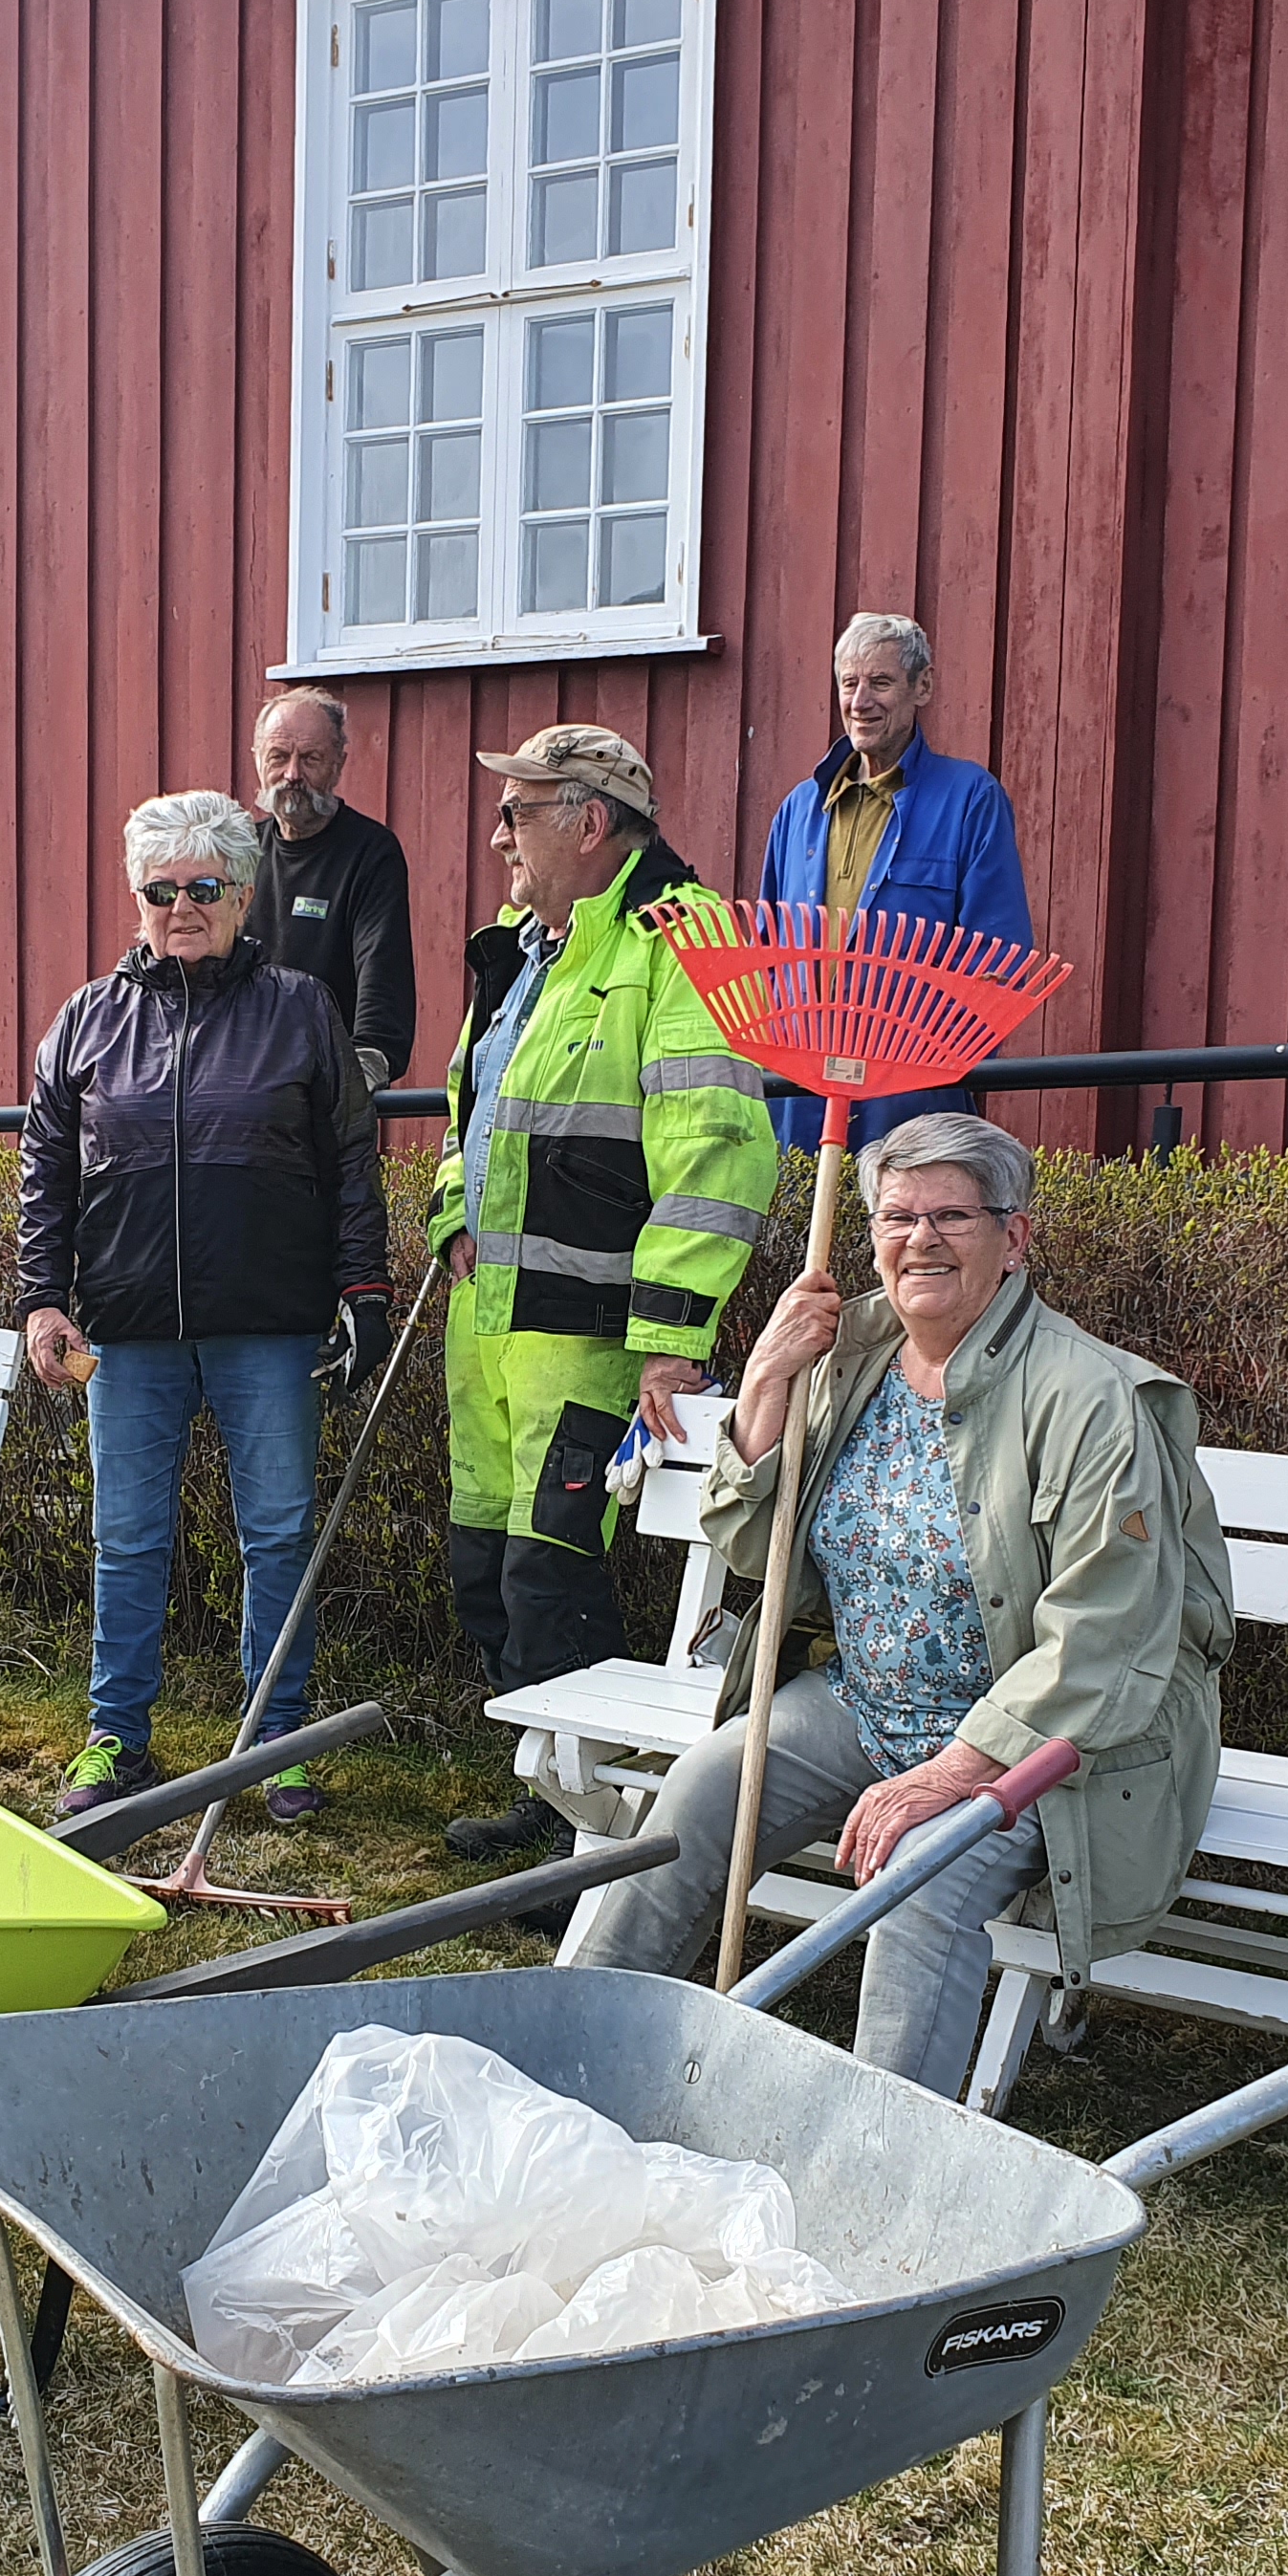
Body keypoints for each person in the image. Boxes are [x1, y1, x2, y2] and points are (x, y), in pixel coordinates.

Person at [571, 1113, 1231, 2089]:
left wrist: (952, 1775)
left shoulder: (1090, 1398)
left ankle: (881, 2158)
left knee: (924, 1878)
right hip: (868, 1707)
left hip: (1040, 1748)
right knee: (704, 1793)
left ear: (1015, 1239)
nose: (919, 1238)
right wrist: (765, 1381)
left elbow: (1108, 1635)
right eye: (897, 1216)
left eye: (952, 1216)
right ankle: (574, 2049)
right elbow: (759, 1550)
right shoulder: (852, 1357)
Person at [430, 723, 774, 1874]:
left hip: (589, 1325)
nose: (498, 838)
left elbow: (716, 1145)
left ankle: (578, 1839)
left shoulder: (682, 939)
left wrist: (675, 1333)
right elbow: (470, 1115)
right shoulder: (520, 950)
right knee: (485, 1559)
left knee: (550, 1572)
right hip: (490, 1319)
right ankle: (547, 1793)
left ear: (590, 820)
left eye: (518, 813)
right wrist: (449, 1222)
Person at [20, 791, 391, 1820]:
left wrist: (365, 1289)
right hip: (128, 1330)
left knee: (276, 1533)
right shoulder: (89, 1018)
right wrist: (42, 1301)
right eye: (160, 890)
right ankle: (114, 1741)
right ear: (135, 899)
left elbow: (351, 1161)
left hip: (269, 1324)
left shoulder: (299, 1009)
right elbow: (45, 1168)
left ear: (243, 893)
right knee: (127, 1538)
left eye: (205, 888)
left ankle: (277, 1740)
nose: (181, 906)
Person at [753, 612, 1030, 1150]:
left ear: (921, 687)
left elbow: (997, 959)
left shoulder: (969, 798)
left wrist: (930, 1065)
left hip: (910, 1097)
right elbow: (767, 952)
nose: (861, 702)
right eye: (849, 684)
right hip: (799, 1095)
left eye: (880, 683)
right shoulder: (799, 809)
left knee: (903, 1231)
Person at [247, 686, 419, 1089]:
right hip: (239, 1082)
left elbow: (383, 980)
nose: (292, 775)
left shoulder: (370, 853)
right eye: (278, 757)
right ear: (258, 760)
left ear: (339, 764)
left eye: (310, 759)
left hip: (324, 1086)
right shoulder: (238, 852)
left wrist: (358, 1080)